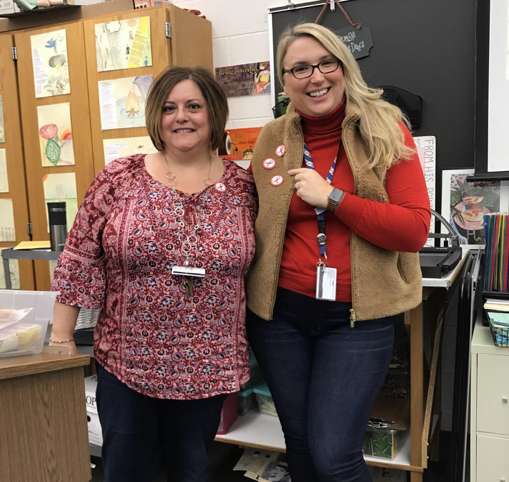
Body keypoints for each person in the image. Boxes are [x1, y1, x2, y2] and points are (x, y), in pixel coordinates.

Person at [50, 66, 257, 482]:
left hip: (207, 367)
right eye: (169, 107)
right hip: (128, 365)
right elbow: (79, 257)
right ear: (155, 118)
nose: (181, 117)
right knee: (125, 472)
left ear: (213, 114)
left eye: (193, 106)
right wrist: (60, 338)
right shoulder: (120, 177)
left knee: (192, 472)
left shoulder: (244, 186)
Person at [246, 23, 431, 482]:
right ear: (285, 82)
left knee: (335, 456)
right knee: (302, 447)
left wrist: (333, 198)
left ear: (344, 68)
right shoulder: (272, 138)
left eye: (326, 63)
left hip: (357, 319)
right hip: (279, 317)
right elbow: (252, 215)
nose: (316, 77)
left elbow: (413, 230)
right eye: (300, 68)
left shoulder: (387, 129)